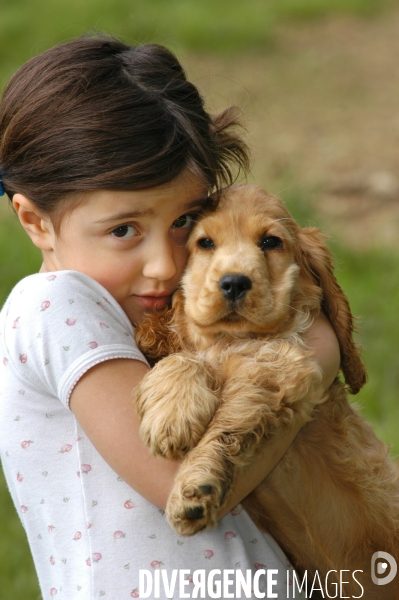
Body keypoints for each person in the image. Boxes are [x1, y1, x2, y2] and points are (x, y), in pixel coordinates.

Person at [0, 35, 340, 600]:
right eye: (123, 230)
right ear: (36, 221)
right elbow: (179, 483)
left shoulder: (145, 315)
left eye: (185, 222)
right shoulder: (54, 306)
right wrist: (314, 358)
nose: (164, 263)